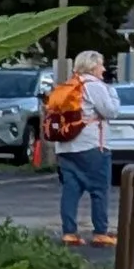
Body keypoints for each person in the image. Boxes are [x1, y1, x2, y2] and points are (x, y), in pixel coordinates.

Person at [49, 47, 120, 244]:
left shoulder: (67, 85)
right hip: (91, 145)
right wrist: (112, 92)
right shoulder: (94, 85)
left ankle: (69, 232)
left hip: (65, 147)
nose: (104, 69)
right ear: (92, 65)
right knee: (99, 190)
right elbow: (111, 111)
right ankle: (100, 232)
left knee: (71, 190)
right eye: (101, 65)